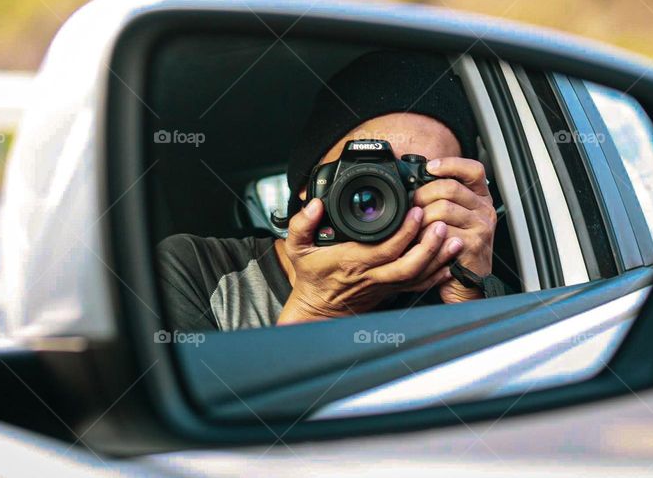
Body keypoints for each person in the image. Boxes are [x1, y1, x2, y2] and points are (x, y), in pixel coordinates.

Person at [156, 50, 500, 331]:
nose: (385, 196)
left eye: (418, 176)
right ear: (308, 184)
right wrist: (316, 308)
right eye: (360, 172)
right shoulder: (195, 271)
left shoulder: (459, 280)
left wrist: (468, 295)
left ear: (458, 198)